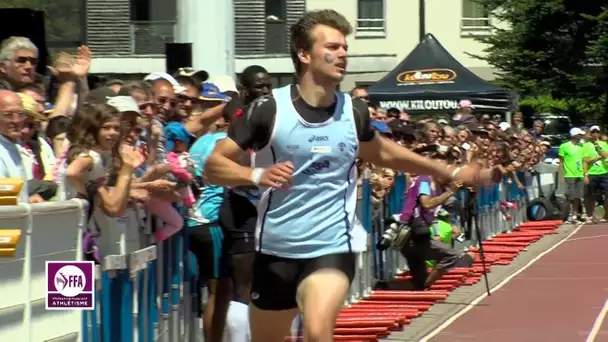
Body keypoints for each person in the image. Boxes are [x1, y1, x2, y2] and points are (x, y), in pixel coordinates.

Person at [204, 9, 499, 342]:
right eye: (332, 47)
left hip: (333, 244)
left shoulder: (353, 111)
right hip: (276, 250)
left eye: (345, 47)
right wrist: (256, 173)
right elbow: (213, 166)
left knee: (317, 331)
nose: (343, 54)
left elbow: (385, 152)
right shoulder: (268, 110)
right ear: (304, 54)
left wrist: (452, 170)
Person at [558, 128, 585, 222]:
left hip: (579, 174)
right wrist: (561, 175)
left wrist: (585, 174)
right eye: (579, 135)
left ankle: (575, 213)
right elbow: (561, 162)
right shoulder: (564, 146)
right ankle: (568, 214)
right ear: (574, 135)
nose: (581, 137)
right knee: (570, 196)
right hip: (569, 174)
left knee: (578, 196)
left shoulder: (581, 147)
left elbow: (583, 161)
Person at [582, 125, 608, 223]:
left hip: (604, 172)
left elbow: (606, 155)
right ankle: (592, 215)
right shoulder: (586, 145)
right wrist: (586, 174)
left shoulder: (604, 144)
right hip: (592, 173)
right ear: (591, 134)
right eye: (593, 132)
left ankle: (606, 215)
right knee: (591, 196)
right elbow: (586, 160)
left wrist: (599, 148)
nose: (595, 134)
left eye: (597, 132)